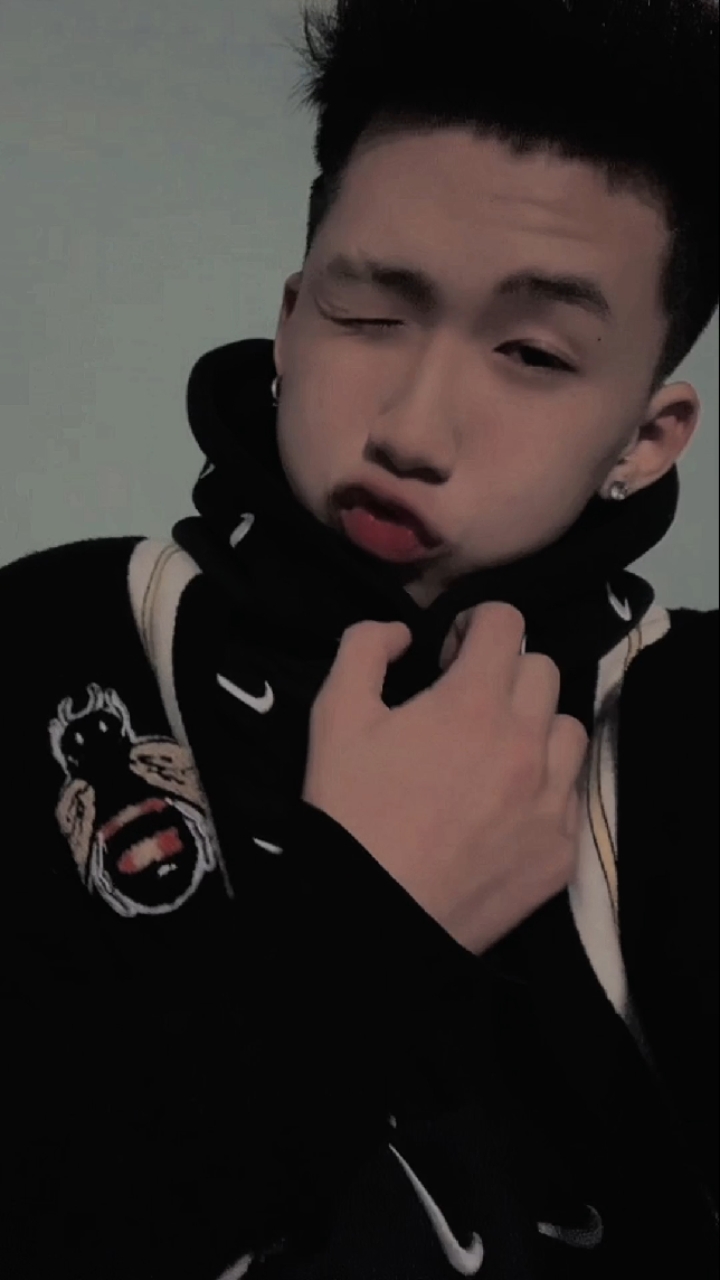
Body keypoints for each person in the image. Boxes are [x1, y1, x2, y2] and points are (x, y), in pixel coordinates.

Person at [2, 1, 718, 1277]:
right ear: (289, 318)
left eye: (532, 351)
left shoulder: (688, 724)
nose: (412, 429)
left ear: (647, 439)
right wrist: (372, 925)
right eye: (370, 315)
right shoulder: (49, 645)